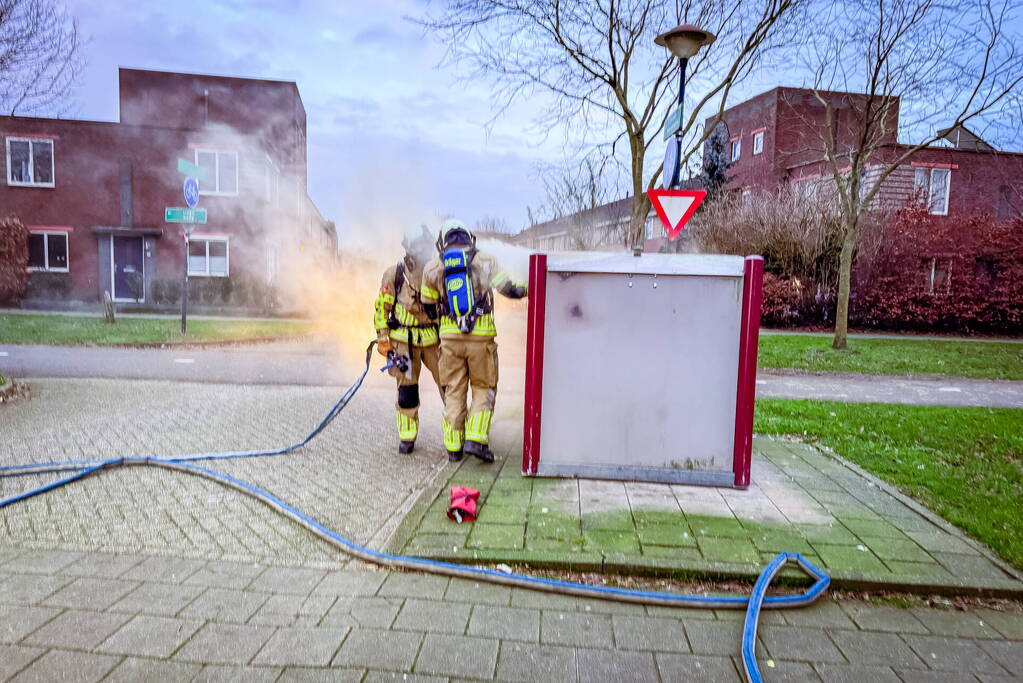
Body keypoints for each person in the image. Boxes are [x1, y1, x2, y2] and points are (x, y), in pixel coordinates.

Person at [420, 219, 527, 462]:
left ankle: (453, 448)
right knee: (483, 386)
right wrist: (529, 288)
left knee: (454, 390)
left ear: (442, 242)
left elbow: (427, 305)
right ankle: (476, 441)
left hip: (449, 339)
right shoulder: (486, 260)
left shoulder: (432, 267)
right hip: (481, 339)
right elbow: (509, 289)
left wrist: (444, 326)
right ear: (470, 238)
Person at [374, 225, 443, 454]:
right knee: (407, 391)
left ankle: (457, 433)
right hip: (404, 342)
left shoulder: (435, 272)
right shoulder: (395, 273)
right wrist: (383, 339)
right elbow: (382, 309)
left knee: (449, 384)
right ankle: (407, 438)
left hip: (432, 339)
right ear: (409, 249)